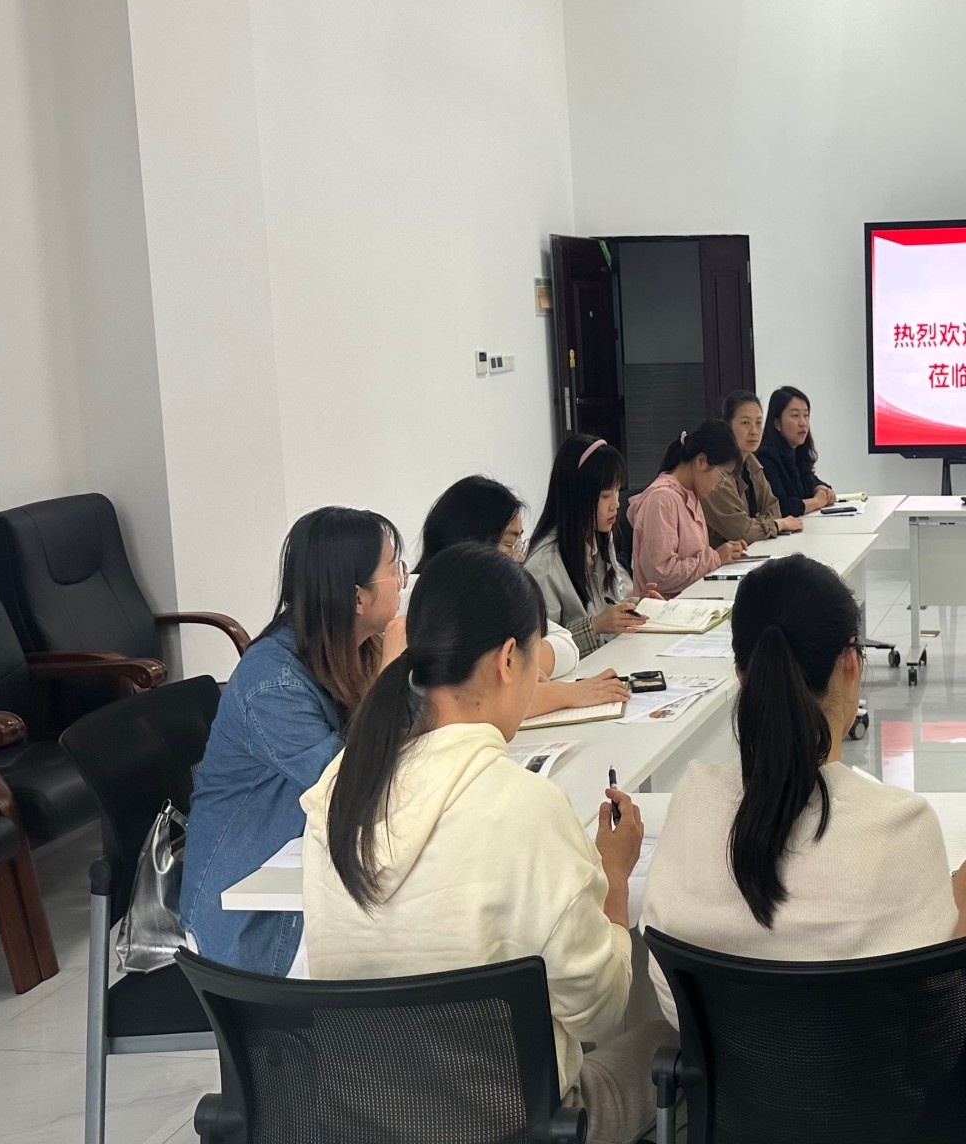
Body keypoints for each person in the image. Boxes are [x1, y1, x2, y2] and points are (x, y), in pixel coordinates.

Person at [300, 544, 667, 1142]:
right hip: (517, 1123)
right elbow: (600, 1010)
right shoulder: (524, 806)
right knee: (665, 1038)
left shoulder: (338, 792)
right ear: (507, 660)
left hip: (364, 1118)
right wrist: (616, 878)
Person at [640, 553, 966, 1022]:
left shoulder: (694, 800)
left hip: (720, 1072)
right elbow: (932, 1014)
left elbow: (670, 998)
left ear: (741, 675)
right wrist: (964, 913)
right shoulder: (901, 825)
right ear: (851, 662)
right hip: (877, 1073)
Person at [182, 506, 405, 974]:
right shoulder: (273, 684)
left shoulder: (355, 648)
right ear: (358, 597)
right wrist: (391, 679)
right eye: (394, 569)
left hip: (313, 868)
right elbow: (349, 785)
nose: (402, 582)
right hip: (254, 917)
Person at [416, 475, 631, 717]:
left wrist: (519, 666)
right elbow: (470, 704)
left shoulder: (496, 592)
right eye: (510, 544)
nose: (519, 557)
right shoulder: (425, 603)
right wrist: (531, 674)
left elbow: (566, 644)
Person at [525, 435, 649, 656]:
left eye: (618, 491)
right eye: (605, 495)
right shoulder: (544, 563)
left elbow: (610, 602)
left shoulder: (599, 536)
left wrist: (637, 604)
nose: (616, 504)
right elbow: (540, 649)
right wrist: (595, 626)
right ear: (577, 497)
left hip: (609, 657)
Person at [626, 420, 748, 599]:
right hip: (665, 609)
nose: (722, 485)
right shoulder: (662, 499)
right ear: (701, 461)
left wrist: (724, 554)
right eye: (723, 476)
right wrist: (716, 558)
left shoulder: (691, 494)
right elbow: (660, 576)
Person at [704, 389, 804, 546]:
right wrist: (778, 525)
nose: (754, 431)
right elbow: (742, 533)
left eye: (758, 423)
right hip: (723, 559)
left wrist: (755, 524)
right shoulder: (715, 472)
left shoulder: (751, 463)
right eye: (745, 423)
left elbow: (774, 509)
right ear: (727, 426)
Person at [756, 385, 835, 518]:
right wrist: (816, 502)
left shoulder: (798, 451)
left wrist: (820, 489)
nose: (803, 423)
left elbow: (811, 480)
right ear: (777, 423)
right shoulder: (765, 456)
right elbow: (781, 507)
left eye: (806, 415)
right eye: (795, 415)